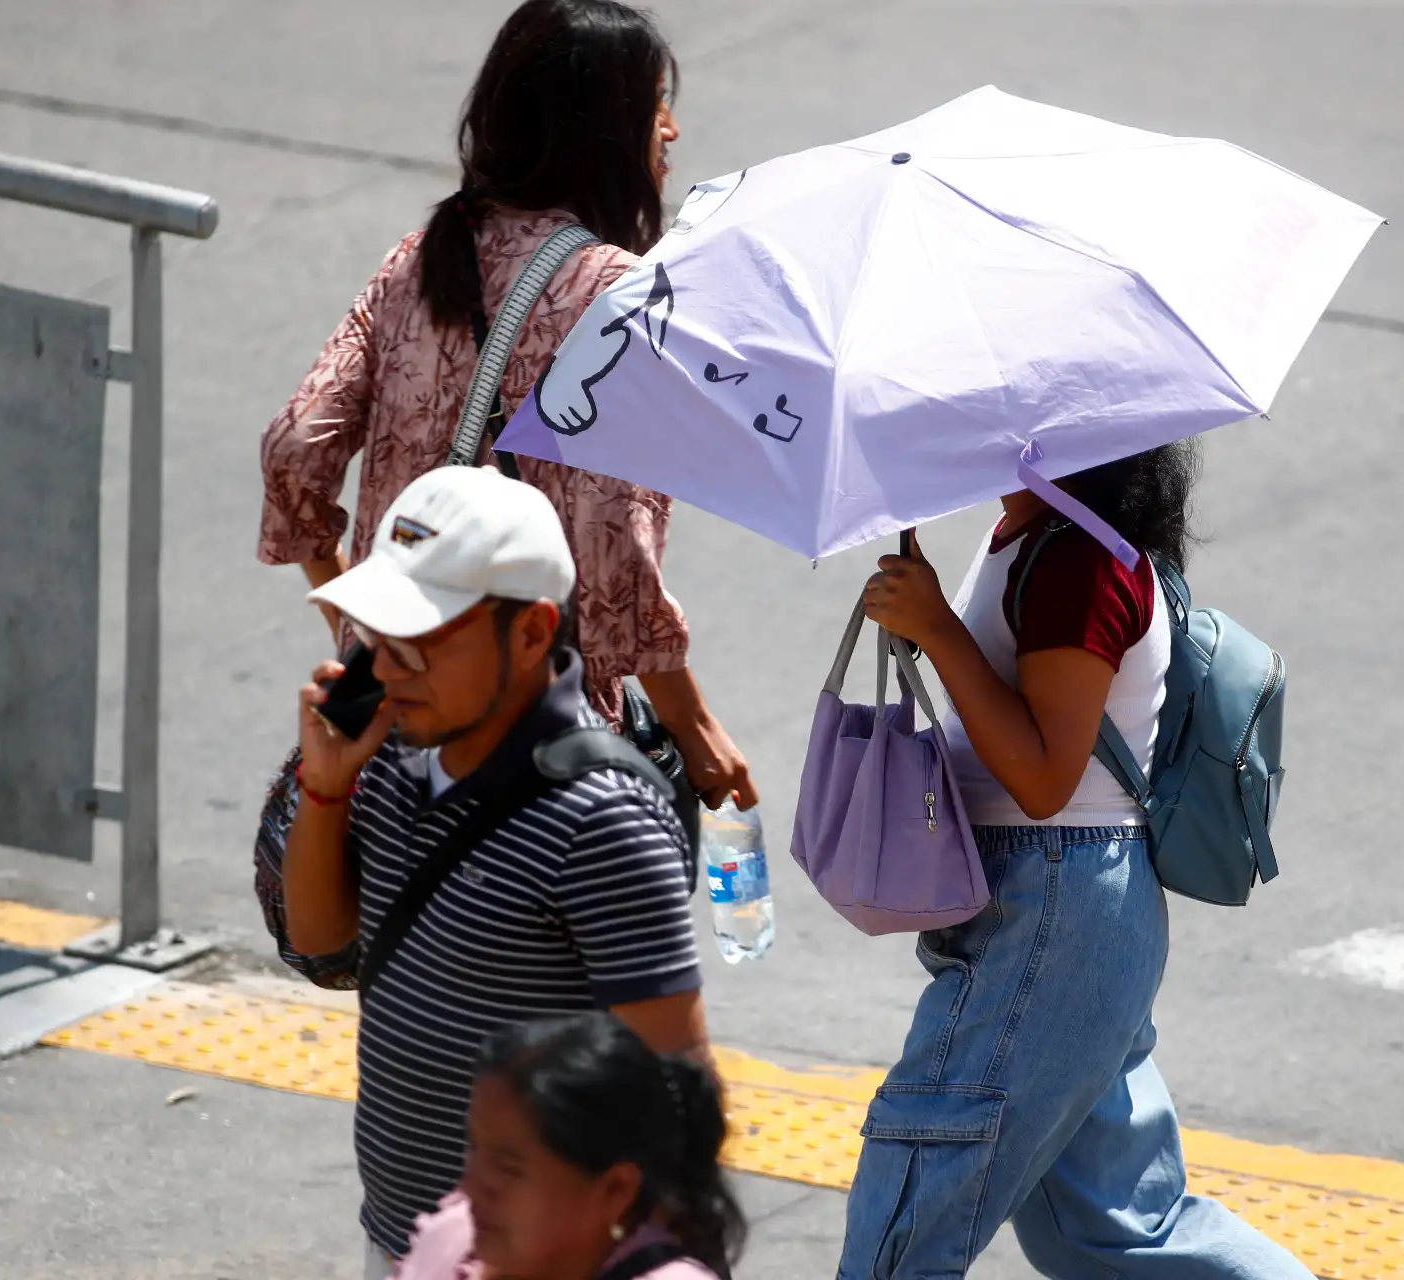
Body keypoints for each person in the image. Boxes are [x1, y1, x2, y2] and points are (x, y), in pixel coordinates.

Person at [258, 0, 755, 811]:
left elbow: (292, 449)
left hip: (393, 733)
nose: (668, 130)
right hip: (533, 755)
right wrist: (694, 727)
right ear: (601, 129)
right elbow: (611, 554)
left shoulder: (419, 260)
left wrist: (372, 633)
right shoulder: (618, 298)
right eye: (652, 104)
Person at [844, 442, 1310, 1279]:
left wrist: (938, 630)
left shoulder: (1078, 561)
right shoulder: (1035, 536)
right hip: (1064, 908)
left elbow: (1044, 779)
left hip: (1053, 903)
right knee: (1114, 1229)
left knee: (912, 1204)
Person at [280, 466, 711, 1278]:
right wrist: (327, 788)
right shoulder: (395, 757)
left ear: (530, 633)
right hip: (408, 1236)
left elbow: (677, 1086)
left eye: (421, 641)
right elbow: (322, 938)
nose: (390, 667)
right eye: (378, 637)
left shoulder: (600, 818)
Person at [392, 1013, 744, 1280]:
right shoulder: (449, 1244)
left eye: (509, 1168)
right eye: (474, 1147)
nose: (470, 1186)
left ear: (615, 1191)